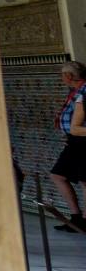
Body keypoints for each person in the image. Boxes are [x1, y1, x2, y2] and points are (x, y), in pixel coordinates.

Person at [51, 61, 86, 232]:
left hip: (82, 139)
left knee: (85, 179)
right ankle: (77, 218)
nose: (62, 78)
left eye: (62, 74)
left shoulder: (84, 91)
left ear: (69, 76)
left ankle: (83, 220)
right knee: (58, 175)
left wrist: (75, 132)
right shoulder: (75, 91)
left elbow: (78, 122)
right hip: (74, 139)